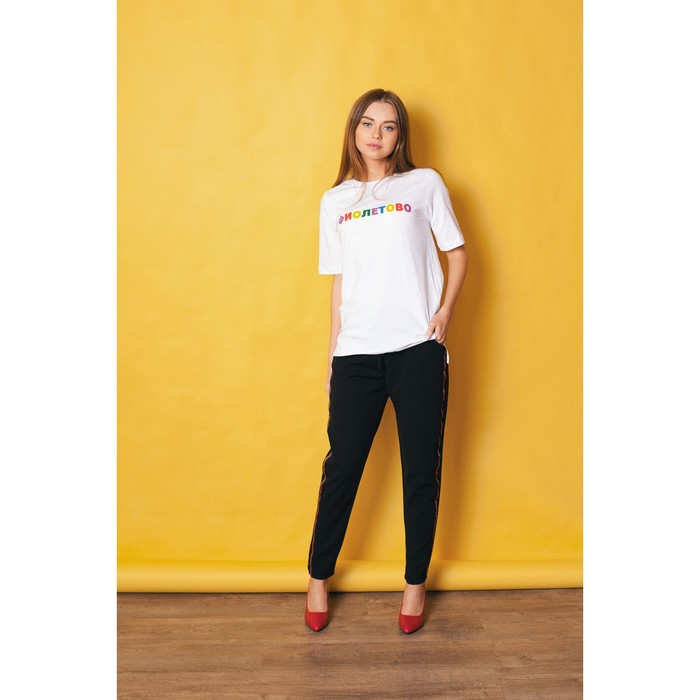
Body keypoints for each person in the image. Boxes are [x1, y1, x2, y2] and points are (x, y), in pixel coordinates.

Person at [305, 88, 468, 634]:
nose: (377, 134)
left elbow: (458, 254)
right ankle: (318, 577)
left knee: (421, 471)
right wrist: (334, 355)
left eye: (389, 125)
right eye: (368, 123)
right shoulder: (335, 202)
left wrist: (445, 312)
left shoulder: (424, 185)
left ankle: (415, 584)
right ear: (353, 130)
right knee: (342, 469)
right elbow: (340, 285)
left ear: (400, 136)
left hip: (417, 349)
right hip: (357, 352)